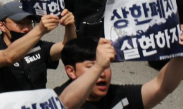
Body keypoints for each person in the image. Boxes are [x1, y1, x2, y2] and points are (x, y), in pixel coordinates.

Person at [55, 36, 183, 109]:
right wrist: (99, 66)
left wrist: (180, 54)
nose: (102, 73)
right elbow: (66, 104)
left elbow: (162, 86)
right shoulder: (56, 98)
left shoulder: (119, 95)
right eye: (91, 67)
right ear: (71, 71)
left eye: (106, 65)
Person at [0, 1, 76, 93]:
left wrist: (70, 26)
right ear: (2, 25)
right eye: (20, 23)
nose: (26, 28)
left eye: (29, 23)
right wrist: (40, 30)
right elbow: (7, 57)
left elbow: (68, 49)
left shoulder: (39, 46)